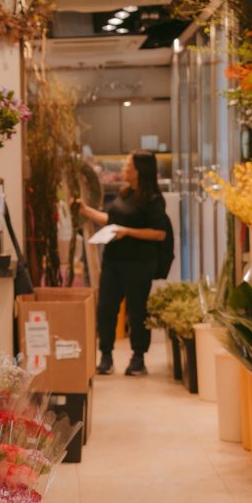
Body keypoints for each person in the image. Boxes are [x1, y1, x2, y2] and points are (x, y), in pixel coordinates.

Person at [75, 151, 169, 376]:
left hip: (139, 263)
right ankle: (105, 356)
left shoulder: (153, 201)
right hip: (113, 261)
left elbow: (159, 234)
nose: (123, 170)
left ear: (139, 171)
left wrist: (128, 232)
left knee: (137, 312)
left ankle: (138, 358)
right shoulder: (124, 194)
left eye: (128, 166)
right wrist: (86, 211)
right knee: (106, 308)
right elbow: (113, 221)